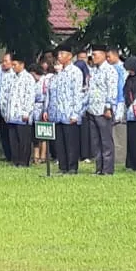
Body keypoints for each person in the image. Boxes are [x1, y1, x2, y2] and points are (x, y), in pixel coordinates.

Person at [48, 43, 83, 174]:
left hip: (69, 112)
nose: (59, 56)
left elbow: (77, 94)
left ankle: (72, 166)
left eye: (62, 54)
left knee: (71, 142)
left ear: (69, 56)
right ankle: (63, 166)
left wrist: (75, 113)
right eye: (59, 54)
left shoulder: (75, 72)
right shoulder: (59, 74)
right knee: (60, 142)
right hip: (58, 113)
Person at [86, 44, 117, 175]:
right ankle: (99, 168)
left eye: (95, 55)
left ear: (104, 55)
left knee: (106, 141)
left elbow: (112, 90)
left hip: (104, 110)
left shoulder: (110, 70)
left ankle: (107, 169)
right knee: (96, 141)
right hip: (92, 109)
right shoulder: (94, 71)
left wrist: (108, 107)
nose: (93, 57)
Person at [3, 51, 37, 166]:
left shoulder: (28, 78)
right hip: (12, 113)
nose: (13, 67)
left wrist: (26, 112)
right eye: (12, 65)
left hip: (23, 114)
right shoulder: (11, 77)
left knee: (23, 139)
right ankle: (15, 160)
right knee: (13, 139)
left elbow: (30, 96)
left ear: (22, 64)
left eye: (15, 65)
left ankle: (23, 161)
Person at [0, 52, 16, 162]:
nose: (4, 63)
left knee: (11, 134)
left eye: (6, 61)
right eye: (2, 61)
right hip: (1, 109)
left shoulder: (14, 75)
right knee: (3, 133)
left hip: (10, 110)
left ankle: (13, 155)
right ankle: (7, 155)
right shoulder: (0, 74)